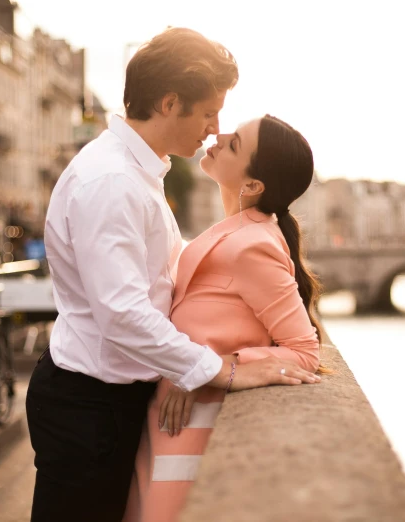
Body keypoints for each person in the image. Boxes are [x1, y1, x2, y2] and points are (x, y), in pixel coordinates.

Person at [26, 28, 320, 522]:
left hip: (106, 400)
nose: (214, 128)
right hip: (91, 405)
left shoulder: (135, 172)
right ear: (169, 103)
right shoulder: (113, 182)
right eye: (208, 112)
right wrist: (217, 369)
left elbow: (167, 275)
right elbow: (123, 315)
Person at [122, 115, 324, 522]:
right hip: (172, 421)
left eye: (234, 144)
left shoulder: (252, 245)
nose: (219, 135)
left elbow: (304, 352)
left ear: (252, 186)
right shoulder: (238, 231)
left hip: (192, 432)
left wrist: (217, 367)